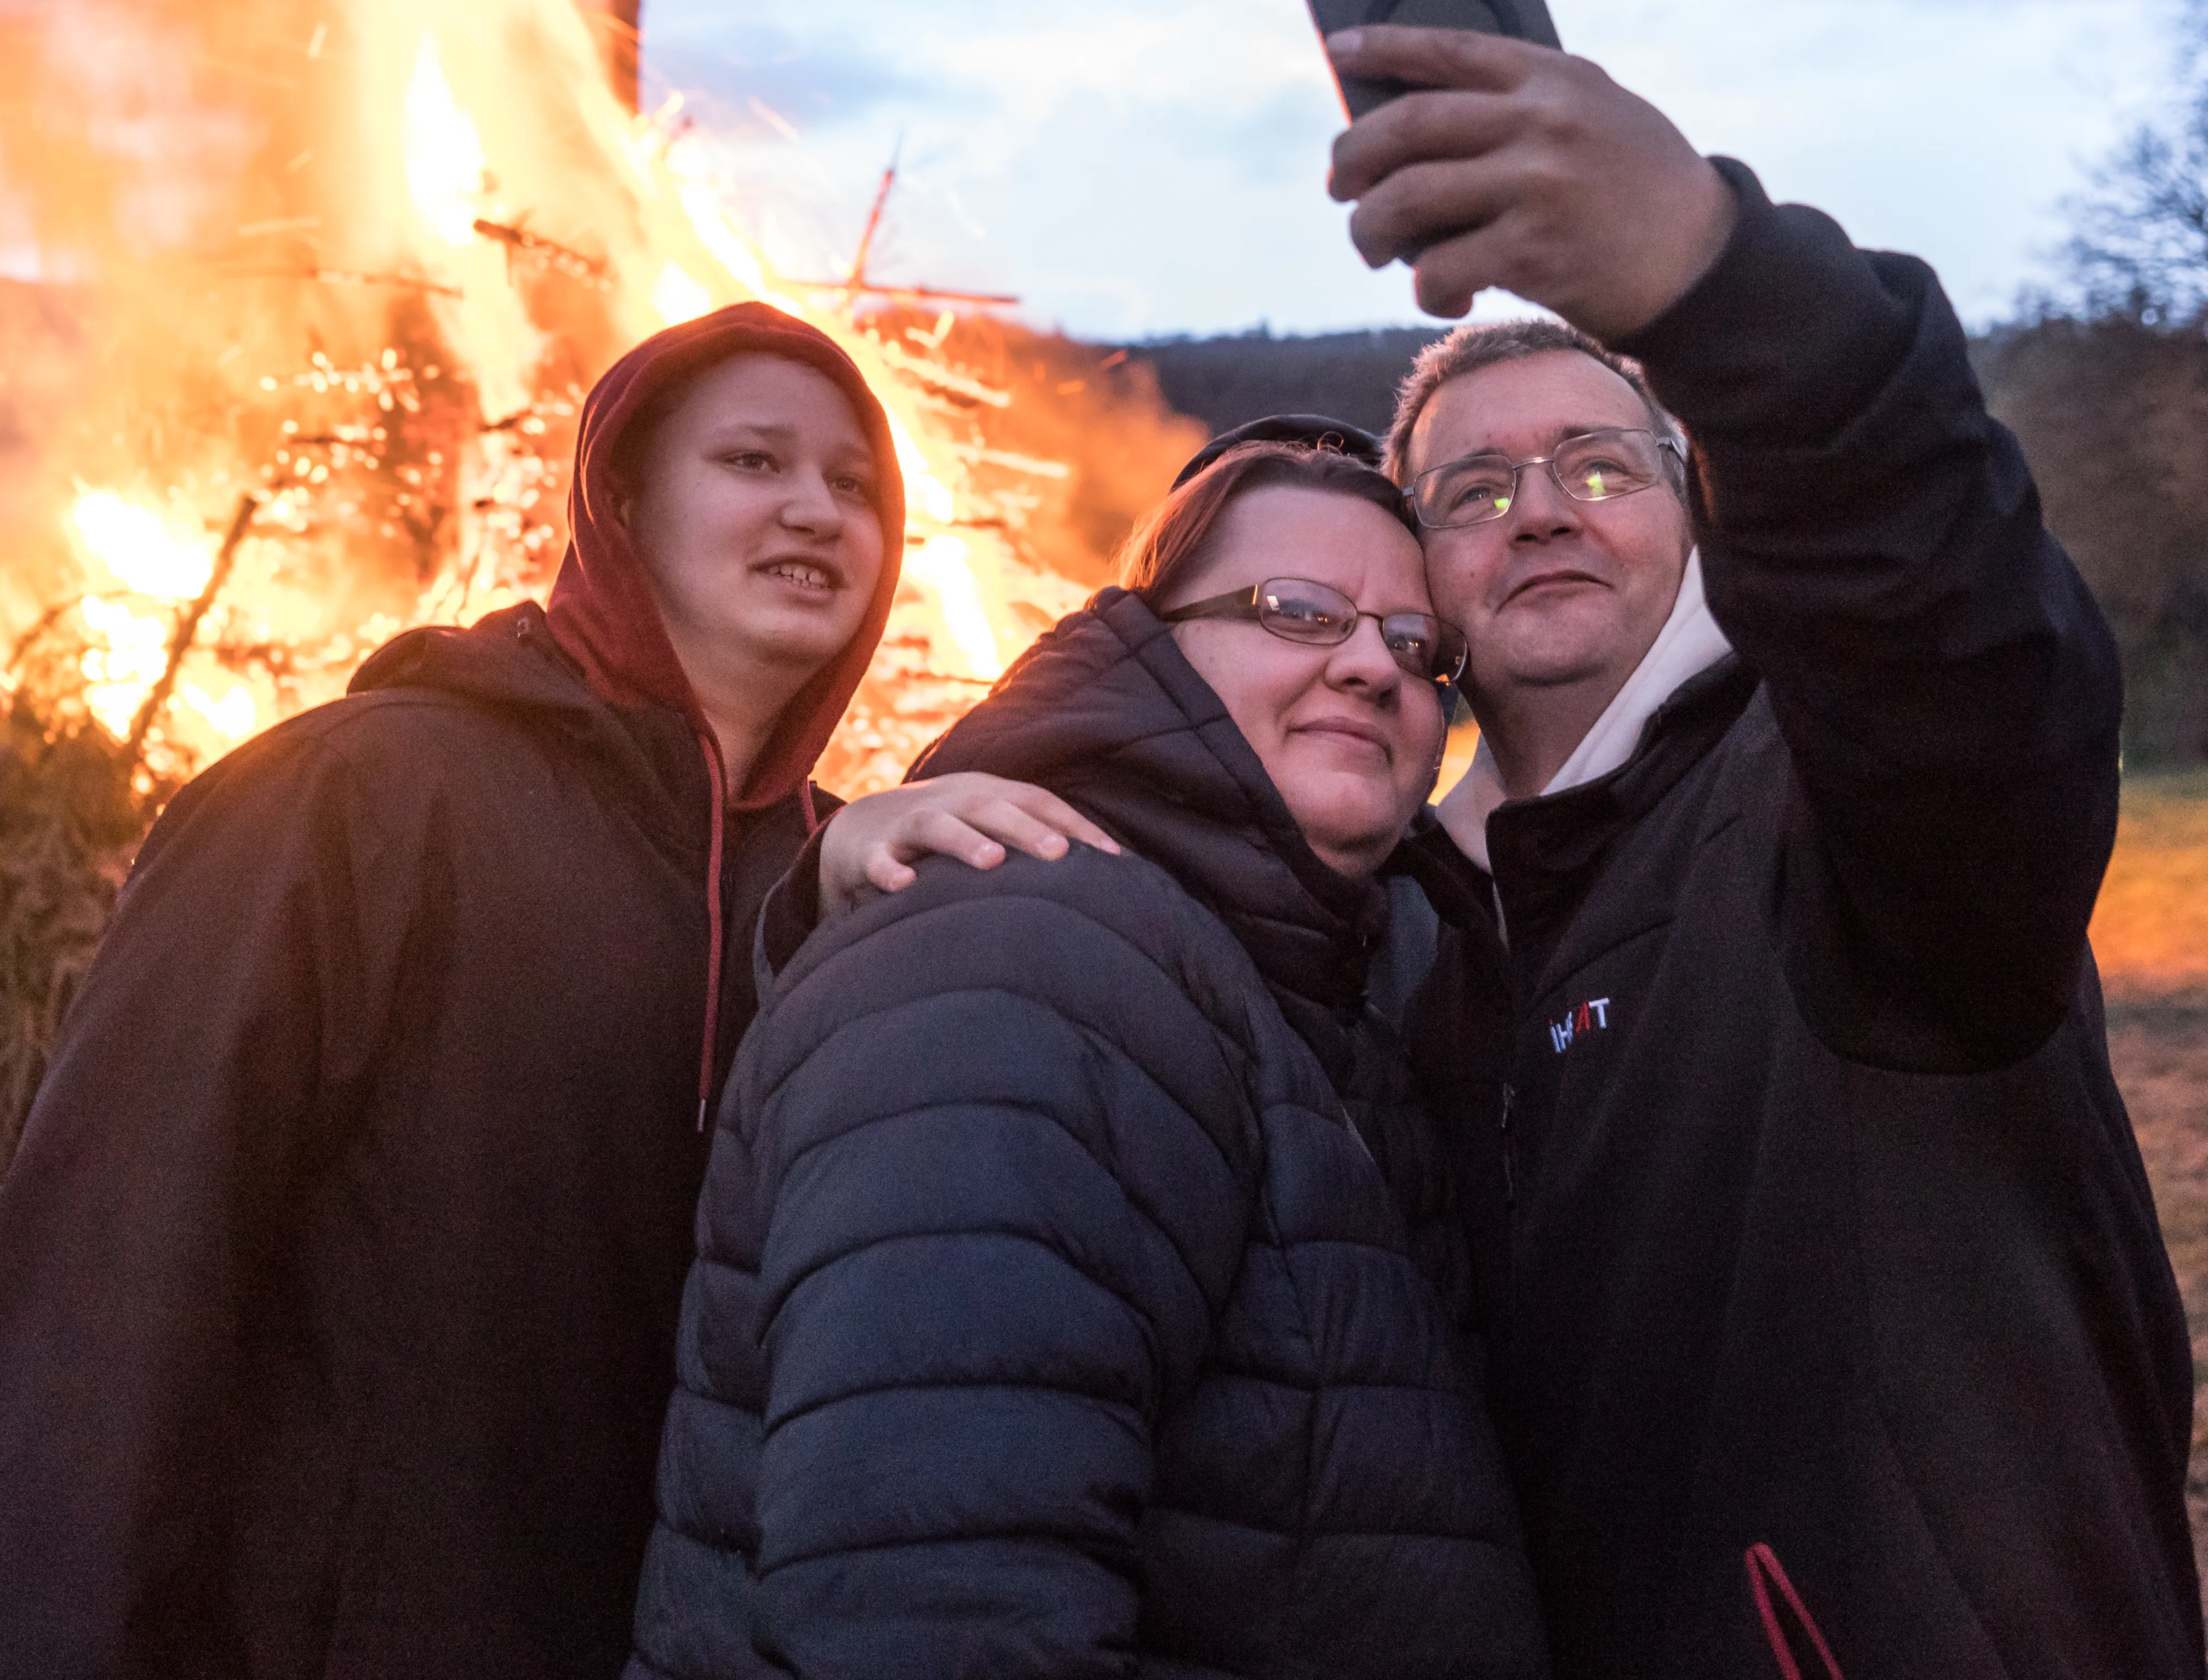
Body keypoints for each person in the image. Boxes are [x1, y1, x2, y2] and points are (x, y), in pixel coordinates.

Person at [0, 305, 1102, 1680]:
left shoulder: (833, 884)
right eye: (755, 462)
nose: (817, 511)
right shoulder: (350, 797)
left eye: (855, 485)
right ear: (621, 502)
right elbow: (103, 1297)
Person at [1329, 21, 2200, 1676]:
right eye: (1473, 490)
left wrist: (1716, 287)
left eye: (1599, 464)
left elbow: (1944, 630)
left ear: (1692, 504)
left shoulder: (1836, 813)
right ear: (1419, 580)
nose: (1542, 510)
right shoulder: (1399, 931)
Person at [631, 439, 1546, 1680]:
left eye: (1414, 644)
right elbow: (932, 1603)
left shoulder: (1316, 997)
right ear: (1149, 644)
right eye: (1297, 610)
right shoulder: (1023, 951)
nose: (1371, 665)